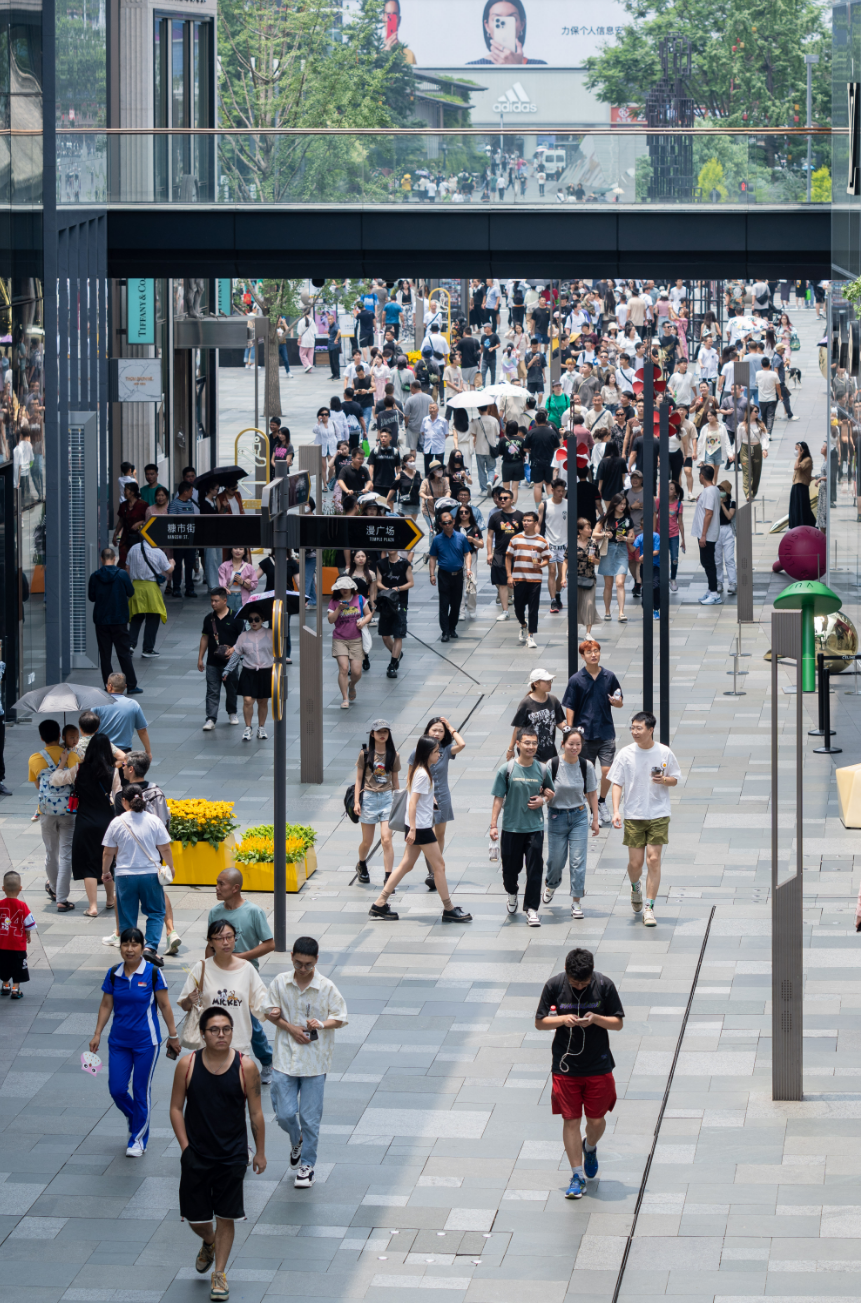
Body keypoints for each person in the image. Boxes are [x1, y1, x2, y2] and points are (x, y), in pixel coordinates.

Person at [169, 1005, 266, 1304]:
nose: (221, 1035)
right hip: (196, 1154)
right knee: (198, 1219)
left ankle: (219, 1274)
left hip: (232, 1156)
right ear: (202, 1033)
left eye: (226, 1029)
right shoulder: (187, 1065)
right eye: (214, 1030)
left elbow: (256, 1112)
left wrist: (260, 1152)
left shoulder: (245, 1067)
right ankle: (208, 1242)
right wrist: (186, 1149)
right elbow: (175, 1109)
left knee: (226, 1216)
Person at [534, 947, 624, 1199]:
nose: (581, 986)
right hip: (565, 1066)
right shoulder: (554, 986)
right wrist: (563, 1020)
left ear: (592, 974)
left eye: (585, 982)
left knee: (596, 1121)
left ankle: (591, 1146)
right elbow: (540, 1022)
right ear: (566, 972)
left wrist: (596, 1018)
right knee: (571, 1119)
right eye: (576, 983)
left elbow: (618, 1023)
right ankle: (577, 1175)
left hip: (598, 1064)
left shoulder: (605, 985)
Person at [265, 936, 348, 1191]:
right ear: (291, 957)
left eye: (308, 965)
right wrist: (288, 1027)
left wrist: (321, 1024)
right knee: (284, 1113)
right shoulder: (280, 982)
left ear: (316, 961)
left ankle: (307, 1165)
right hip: (284, 1057)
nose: (303, 969)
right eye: (299, 963)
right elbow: (269, 1011)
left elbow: (341, 1016)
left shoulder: (326, 987)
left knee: (311, 1118)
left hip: (315, 1061)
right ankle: (296, 1139)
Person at [89, 927, 181, 1156]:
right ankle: (136, 1117)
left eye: (134, 944)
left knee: (141, 1090)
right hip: (119, 1042)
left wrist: (173, 1034)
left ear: (142, 947)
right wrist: (97, 1033)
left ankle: (138, 1139)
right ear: (120, 947)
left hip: (145, 1043)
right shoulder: (113, 973)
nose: (129, 949)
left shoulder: (152, 973)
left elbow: (165, 1005)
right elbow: (106, 1005)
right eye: (125, 944)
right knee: (117, 1089)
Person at [368, 735, 472, 924]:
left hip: (418, 826)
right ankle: (448, 909)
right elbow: (412, 803)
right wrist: (414, 829)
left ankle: (380, 903)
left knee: (407, 865)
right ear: (426, 753)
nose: (439, 754)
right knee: (439, 866)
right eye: (435, 751)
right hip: (421, 828)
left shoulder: (422, 771)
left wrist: (429, 801)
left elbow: (416, 798)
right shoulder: (423, 773)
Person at [608, 711, 681, 928]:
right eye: (632, 728)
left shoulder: (664, 752)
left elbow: (675, 779)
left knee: (654, 860)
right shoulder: (625, 754)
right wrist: (616, 810)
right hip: (634, 814)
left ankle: (649, 908)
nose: (634, 732)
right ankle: (635, 886)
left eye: (639, 728)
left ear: (650, 730)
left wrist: (664, 780)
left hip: (658, 812)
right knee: (636, 863)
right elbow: (617, 783)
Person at [208, 869, 275, 1085]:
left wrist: (240, 958)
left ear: (235, 888)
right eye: (216, 883)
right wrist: (207, 969)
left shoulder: (253, 912)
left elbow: (269, 944)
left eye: (221, 884)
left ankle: (266, 1060)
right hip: (219, 976)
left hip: (246, 977)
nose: (216, 888)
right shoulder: (214, 912)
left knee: (251, 1023)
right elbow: (210, 946)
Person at [101, 785, 174, 966]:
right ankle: (150, 948)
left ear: (124, 801)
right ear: (142, 798)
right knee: (156, 912)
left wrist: (105, 872)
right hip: (150, 874)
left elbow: (108, 852)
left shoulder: (117, 822)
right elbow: (164, 847)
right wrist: (170, 867)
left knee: (127, 915)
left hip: (125, 875)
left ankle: (129, 951)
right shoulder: (154, 821)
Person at [490, 726, 554, 927]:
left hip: (534, 827)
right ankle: (512, 892)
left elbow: (550, 793)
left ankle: (532, 909)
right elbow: (498, 798)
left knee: (535, 869)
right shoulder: (507, 769)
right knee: (510, 870)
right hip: (511, 827)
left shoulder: (543, 769)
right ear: (517, 744)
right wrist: (493, 825)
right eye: (527, 742)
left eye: (534, 743)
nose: (531, 746)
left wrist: (543, 800)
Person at [180, 918, 270, 1054]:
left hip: (239, 1045)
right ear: (210, 942)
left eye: (229, 937)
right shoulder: (201, 968)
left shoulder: (247, 969)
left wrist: (278, 1012)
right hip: (208, 1046)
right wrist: (189, 1000)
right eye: (219, 938)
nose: (226, 942)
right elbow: (184, 1005)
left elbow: (262, 1003)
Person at [562, 640, 624, 827]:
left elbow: (620, 701)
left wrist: (616, 702)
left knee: (607, 770)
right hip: (584, 734)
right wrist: (571, 732)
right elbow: (570, 706)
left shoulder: (609, 676)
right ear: (583, 656)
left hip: (605, 731)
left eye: (596, 651)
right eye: (589, 652)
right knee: (586, 774)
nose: (593, 655)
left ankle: (601, 801)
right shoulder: (576, 679)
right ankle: (591, 808)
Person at [59, 732, 118, 918]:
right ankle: (110, 899)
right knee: (107, 863)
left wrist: (62, 762)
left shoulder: (79, 768)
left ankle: (92, 906)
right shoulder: (113, 770)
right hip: (107, 823)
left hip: (85, 822)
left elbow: (56, 779)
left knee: (88, 865)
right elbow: (117, 796)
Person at [542, 727, 599, 918]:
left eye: (578, 744)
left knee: (577, 861)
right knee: (556, 860)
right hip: (557, 816)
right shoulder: (553, 764)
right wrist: (545, 795)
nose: (574, 747)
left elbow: (591, 793)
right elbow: (543, 789)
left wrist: (595, 819)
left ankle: (576, 901)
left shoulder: (586, 766)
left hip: (579, 816)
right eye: (571, 744)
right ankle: (551, 884)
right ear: (563, 744)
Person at [29, 719, 76, 911]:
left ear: (41, 737)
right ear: (60, 735)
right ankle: (62, 899)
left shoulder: (35, 758)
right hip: (68, 810)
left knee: (51, 852)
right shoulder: (72, 756)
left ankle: (55, 889)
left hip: (46, 811)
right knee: (66, 854)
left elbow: (38, 785)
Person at [354, 721, 400, 886]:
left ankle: (388, 877)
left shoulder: (393, 755)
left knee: (386, 839)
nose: (382, 734)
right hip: (369, 799)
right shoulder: (365, 754)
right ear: (372, 734)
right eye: (379, 731)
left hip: (387, 798)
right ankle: (361, 863)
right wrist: (356, 802)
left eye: (385, 732)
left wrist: (398, 802)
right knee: (367, 841)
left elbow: (395, 781)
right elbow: (359, 779)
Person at [88, 546, 140, 693]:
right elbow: (130, 592)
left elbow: (91, 597)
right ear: (114, 558)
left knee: (105, 655)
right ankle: (131, 684)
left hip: (101, 620)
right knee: (123, 653)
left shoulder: (95, 576)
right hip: (119, 619)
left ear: (101, 559)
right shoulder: (122, 574)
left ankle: (109, 686)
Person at [222, 609, 274, 741]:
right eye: (250, 620)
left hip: (266, 671)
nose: (253, 622)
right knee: (248, 701)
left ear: (262, 619)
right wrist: (227, 670)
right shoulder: (243, 636)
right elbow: (236, 655)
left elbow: (279, 653)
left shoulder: (271, 634)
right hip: (248, 671)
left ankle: (261, 727)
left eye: (257, 619)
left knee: (263, 701)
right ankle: (248, 727)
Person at [428, 510, 475, 643]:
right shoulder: (437, 539)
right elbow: (432, 557)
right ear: (441, 524)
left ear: (454, 522)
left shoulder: (461, 537)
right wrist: (432, 574)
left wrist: (469, 569)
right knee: (444, 604)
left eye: (449, 522)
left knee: (455, 604)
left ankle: (452, 628)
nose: (447, 525)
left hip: (458, 575)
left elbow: (467, 554)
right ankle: (445, 631)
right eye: (445, 523)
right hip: (443, 575)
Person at [198, 588, 242, 731]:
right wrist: (200, 658)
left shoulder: (236, 618)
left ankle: (232, 712)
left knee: (231, 689)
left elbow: (243, 639)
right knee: (212, 690)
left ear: (225, 600)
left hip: (231, 662)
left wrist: (234, 649)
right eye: (211, 600)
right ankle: (211, 718)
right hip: (212, 662)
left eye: (216, 601)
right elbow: (204, 637)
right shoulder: (208, 618)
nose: (213, 603)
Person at [505, 509, 549, 650]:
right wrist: (509, 576)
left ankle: (531, 635)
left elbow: (547, 558)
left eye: (529, 520)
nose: (525, 523)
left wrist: (540, 564)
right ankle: (523, 625)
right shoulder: (516, 538)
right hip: (519, 578)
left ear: (536, 523)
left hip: (535, 579)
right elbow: (508, 557)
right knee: (518, 607)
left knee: (533, 608)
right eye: (524, 520)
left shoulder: (541, 541)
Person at [327, 575, 372, 710]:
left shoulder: (359, 598)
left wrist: (363, 622)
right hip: (340, 639)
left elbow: (369, 614)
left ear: (351, 587)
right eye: (341, 588)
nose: (344, 590)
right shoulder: (334, 601)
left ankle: (351, 685)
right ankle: (345, 698)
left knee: (357, 672)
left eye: (347, 587)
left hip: (356, 639)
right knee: (344, 669)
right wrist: (338, 609)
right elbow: (330, 620)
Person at [126, 535, 173, 658]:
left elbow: (127, 567)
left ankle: (130, 645)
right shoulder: (158, 552)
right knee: (153, 618)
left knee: (136, 617)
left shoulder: (133, 548)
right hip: (151, 588)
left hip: (136, 587)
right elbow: (168, 570)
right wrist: (172, 563)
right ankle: (148, 649)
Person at [508, 669, 565, 763]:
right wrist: (511, 748)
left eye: (550, 681)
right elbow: (518, 727)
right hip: (531, 750)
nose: (549, 683)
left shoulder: (553, 700)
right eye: (546, 681)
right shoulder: (526, 703)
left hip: (549, 750)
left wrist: (568, 731)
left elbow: (559, 721)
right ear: (536, 684)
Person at [593, 494, 632, 623]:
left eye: (624, 504)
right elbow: (594, 533)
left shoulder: (627, 518)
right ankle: (607, 611)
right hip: (608, 550)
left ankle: (621, 613)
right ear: (614, 504)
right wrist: (605, 534)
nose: (622, 506)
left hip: (621, 550)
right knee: (608, 584)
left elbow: (632, 537)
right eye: (620, 504)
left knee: (620, 583)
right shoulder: (606, 517)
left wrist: (625, 538)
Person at [93, 673, 152, 755]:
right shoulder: (133, 704)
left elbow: (89, 728)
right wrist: (148, 751)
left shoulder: (98, 704)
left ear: (110, 686)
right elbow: (142, 730)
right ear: (125, 687)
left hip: (101, 750)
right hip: (124, 752)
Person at [376, 548, 412, 678]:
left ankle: (392, 665)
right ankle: (396, 654)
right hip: (386, 602)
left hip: (400, 603)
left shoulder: (405, 564)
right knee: (385, 636)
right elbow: (378, 582)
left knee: (398, 634)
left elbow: (411, 583)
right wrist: (387, 590)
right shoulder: (381, 563)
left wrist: (397, 588)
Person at [0, 870, 35, 997]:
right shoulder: (22, 906)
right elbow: (29, 924)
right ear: (20, 888)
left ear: (3, 888)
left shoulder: (0, 905)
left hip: (2, 945)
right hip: (18, 946)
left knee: (4, 966)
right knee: (18, 967)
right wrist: (28, 935)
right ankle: (15, 989)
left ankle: (5, 985)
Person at [536, 478, 567, 613]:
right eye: (558, 491)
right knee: (552, 571)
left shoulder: (568, 504)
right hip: (549, 543)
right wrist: (537, 541)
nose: (561, 493)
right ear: (552, 490)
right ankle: (553, 600)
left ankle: (558, 592)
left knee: (562, 573)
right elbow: (539, 523)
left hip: (564, 543)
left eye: (563, 491)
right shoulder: (544, 505)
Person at [691, 464, 722, 604]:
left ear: (702, 476)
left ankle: (714, 593)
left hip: (707, 535)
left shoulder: (709, 491)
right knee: (706, 562)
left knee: (708, 563)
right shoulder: (712, 490)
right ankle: (711, 590)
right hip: (707, 534)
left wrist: (703, 535)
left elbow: (709, 514)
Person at [167, 481, 200, 598]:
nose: (192, 493)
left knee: (190, 564)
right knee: (177, 565)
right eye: (191, 491)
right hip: (179, 540)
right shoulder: (174, 504)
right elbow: (171, 522)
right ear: (185, 492)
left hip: (189, 540)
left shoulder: (190, 503)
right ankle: (176, 588)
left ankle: (189, 588)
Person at [654, 479, 685, 593]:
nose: (668, 490)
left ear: (676, 492)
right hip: (660, 535)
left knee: (674, 559)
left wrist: (683, 540)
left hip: (674, 535)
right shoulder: (659, 501)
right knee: (661, 558)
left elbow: (680, 522)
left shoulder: (678, 504)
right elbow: (654, 517)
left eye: (671, 489)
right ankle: (663, 578)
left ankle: (673, 579)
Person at [113, 480, 148, 568]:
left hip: (139, 537)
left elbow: (148, 520)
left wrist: (139, 523)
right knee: (123, 559)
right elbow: (121, 520)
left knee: (138, 559)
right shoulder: (123, 505)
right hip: (126, 537)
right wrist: (116, 534)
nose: (124, 492)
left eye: (126, 490)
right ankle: (124, 578)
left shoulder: (143, 505)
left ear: (132, 492)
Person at [218, 548, 257, 614]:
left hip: (243, 597)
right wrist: (224, 588)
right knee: (228, 619)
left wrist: (242, 582)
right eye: (235, 548)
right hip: (228, 596)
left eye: (241, 549)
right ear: (231, 550)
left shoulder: (249, 567)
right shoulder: (224, 566)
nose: (238, 551)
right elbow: (222, 582)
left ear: (244, 552)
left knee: (242, 619)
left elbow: (254, 585)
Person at [715, 479, 737, 597]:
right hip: (716, 531)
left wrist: (722, 504)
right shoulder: (714, 502)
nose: (720, 492)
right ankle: (719, 582)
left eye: (722, 489)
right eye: (719, 489)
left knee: (729, 559)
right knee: (717, 559)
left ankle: (733, 583)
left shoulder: (732, 503)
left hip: (728, 531)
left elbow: (729, 516)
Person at [789, 441, 816, 528]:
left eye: (797, 449)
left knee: (802, 507)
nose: (796, 451)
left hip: (801, 486)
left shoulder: (807, 459)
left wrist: (799, 456)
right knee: (795, 507)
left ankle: (806, 523)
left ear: (802, 450)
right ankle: (795, 524)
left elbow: (796, 467)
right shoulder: (801, 459)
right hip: (796, 485)